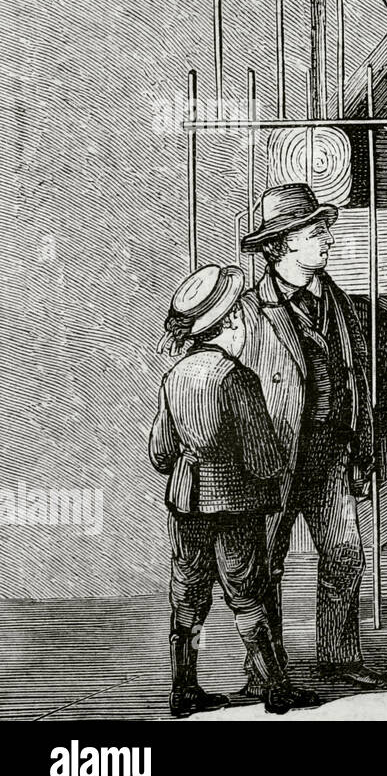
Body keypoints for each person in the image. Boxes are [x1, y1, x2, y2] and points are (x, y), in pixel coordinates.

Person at [237, 184, 387, 692]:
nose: (326, 238)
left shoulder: (338, 300)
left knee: (345, 552)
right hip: (275, 458)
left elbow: (358, 379)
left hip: (330, 452)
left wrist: (361, 448)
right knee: (266, 563)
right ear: (282, 245)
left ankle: (337, 655)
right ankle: (266, 670)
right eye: (314, 231)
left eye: (324, 228)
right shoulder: (250, 309)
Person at [149, 264, 320, 715]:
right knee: (249, 595)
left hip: (185, 502)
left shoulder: (175, 376)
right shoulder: (237, 378)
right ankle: (276, 691)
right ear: (228, 325)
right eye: (239, 319)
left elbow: (161, 453)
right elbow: (263, 457)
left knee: (188, 593)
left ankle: (183, 691)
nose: (245, 326)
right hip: (233, 501)